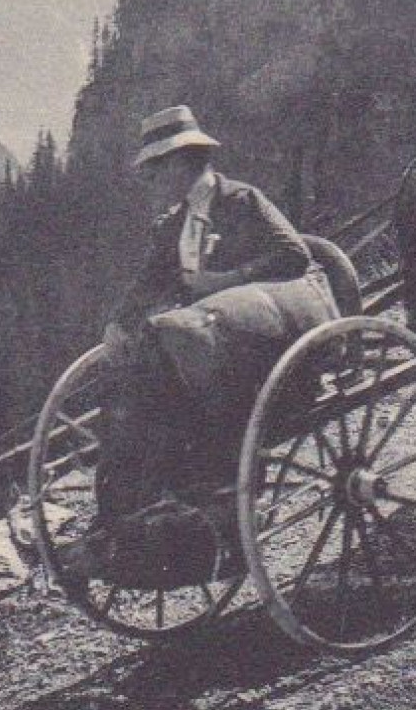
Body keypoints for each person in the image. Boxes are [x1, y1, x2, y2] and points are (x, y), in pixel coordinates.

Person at [95, 106, 338, 532]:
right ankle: (144, 496)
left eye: (156, 168)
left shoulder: (241, 200)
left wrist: (227, 280)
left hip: (270, 334)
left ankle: (225, 490)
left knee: (182, 345)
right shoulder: (175, 226)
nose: (149, 179)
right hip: (214, 343)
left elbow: (295, 255)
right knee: (143, 369)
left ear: (182, 161)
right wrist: (118, 321)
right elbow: (147, 282)